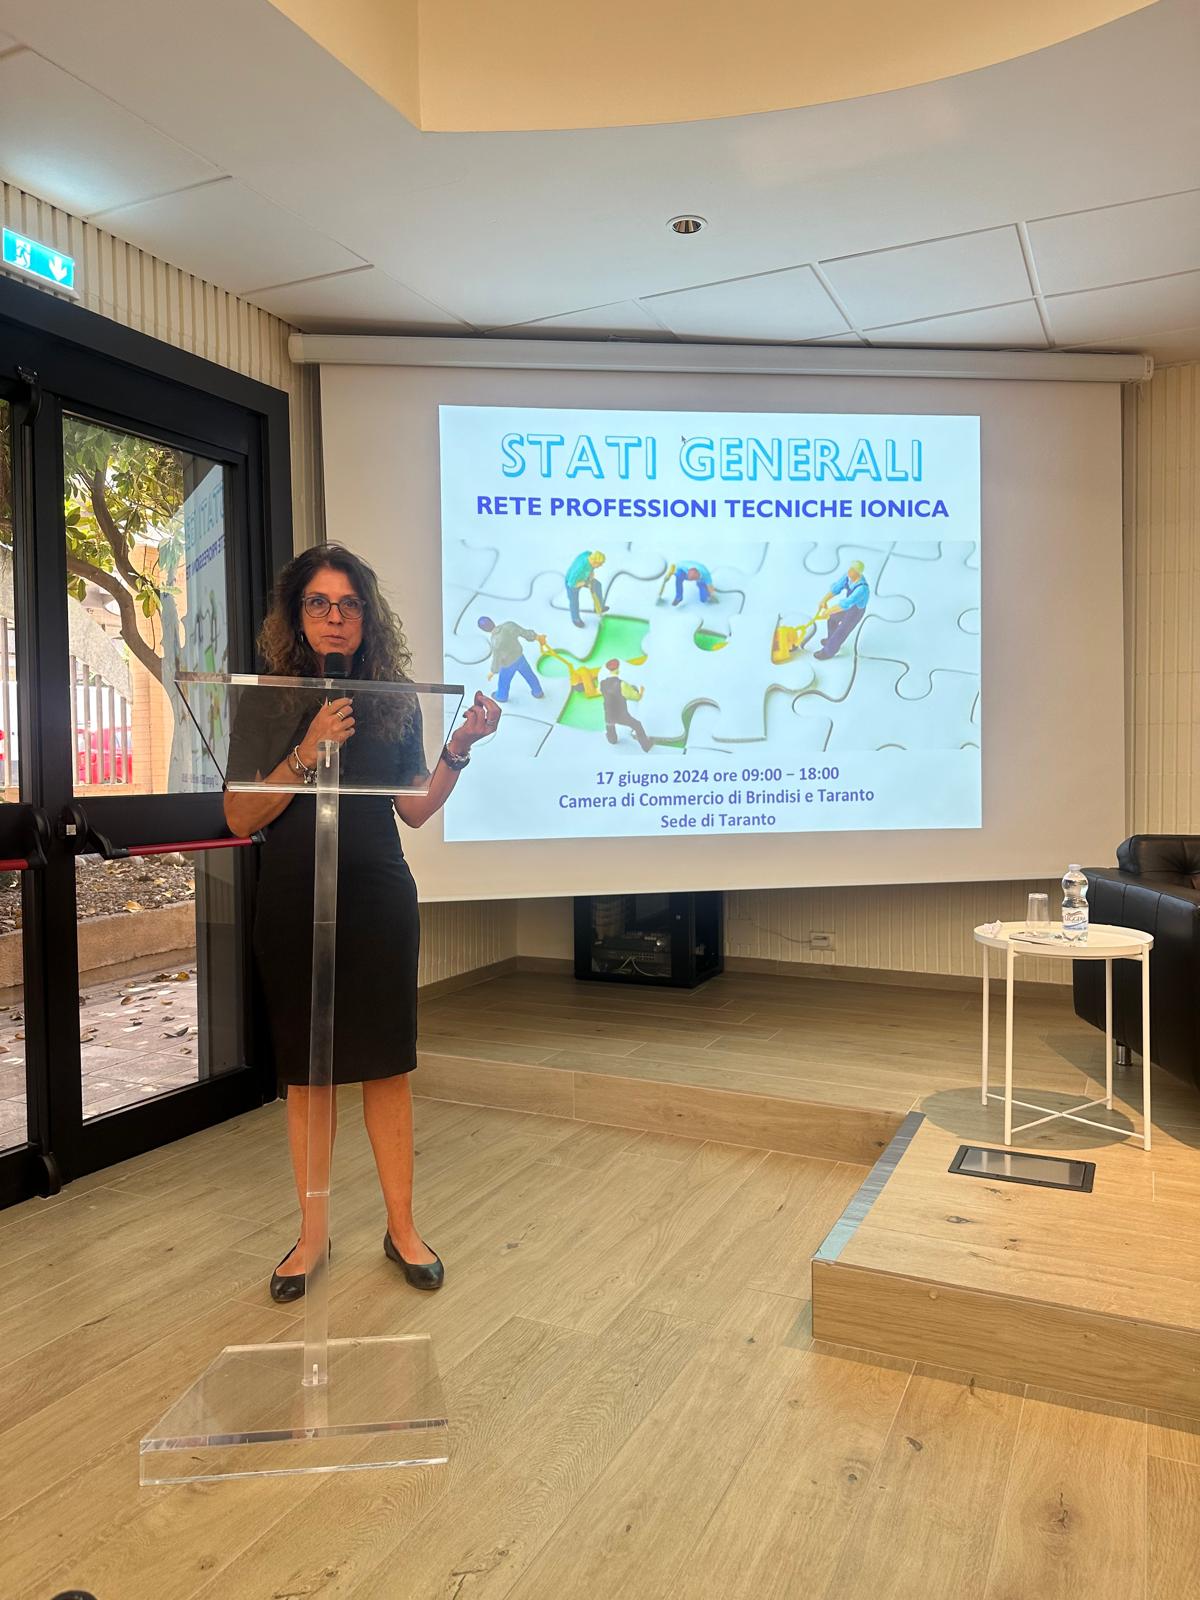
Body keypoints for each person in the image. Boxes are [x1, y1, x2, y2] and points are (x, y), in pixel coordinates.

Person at [223, 544, 499, 1303]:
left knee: (385, 1063)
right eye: (319, 603)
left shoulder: (392, 699)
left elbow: (414, 809)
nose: (335, 617)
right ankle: (312, 1236)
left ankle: (401, 1228)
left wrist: (458, 750)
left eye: (349, 604)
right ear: (297, 615)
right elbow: (241, 816)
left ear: (367, 617)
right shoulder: (268, 701)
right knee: (309, 1073)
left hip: (377, 892)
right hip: (293, 894)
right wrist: (306, 753)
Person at [477, 615, 545, 702]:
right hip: (520, 658)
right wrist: (537, 637)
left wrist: (493, 671)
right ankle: (538, 692)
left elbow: (497, 658)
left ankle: (501, 696)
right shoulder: (509, 625)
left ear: (484, 630)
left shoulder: (495, 641)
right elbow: (524, 632)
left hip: (508, 665)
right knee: (530, 675)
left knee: (503, 682)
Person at [815, 560, 870, 659]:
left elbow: (845, 604)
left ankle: (828, 652)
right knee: (832, 618)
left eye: (853, 570)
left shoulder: (862, 588)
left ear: (858, 573)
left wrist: (828, 611)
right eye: (850, 568)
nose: (849, 571)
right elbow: (836, 588)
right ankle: (831, 640)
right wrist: (824, 600)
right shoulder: (847, 577)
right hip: (847, 606)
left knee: (842, 630)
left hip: (856, 611)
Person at [600, 659, 652, 751]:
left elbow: (602, 692)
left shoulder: (602, 683)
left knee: (610, 727)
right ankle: (646, 746)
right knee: (637, 725)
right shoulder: (622, 684)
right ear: (618, 669)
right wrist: (641, 692)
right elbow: (636, 697)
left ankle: (612, 740)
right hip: (621, 715)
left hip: (608, 714)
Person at [565, 549, 608, 626]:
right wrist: (584, 583)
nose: (600, 566)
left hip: (584, 577)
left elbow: (587, 555)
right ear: (595, 562)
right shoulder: (580, 568)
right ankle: (576, 619)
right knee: (574, 601)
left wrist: (591, 572)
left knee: (597, 585)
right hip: (572, 582)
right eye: (600, 564)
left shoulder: (589, 555)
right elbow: (571, 583)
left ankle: (598, 607)